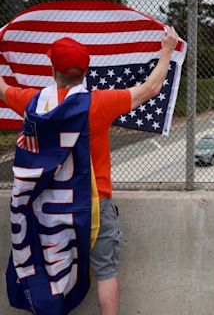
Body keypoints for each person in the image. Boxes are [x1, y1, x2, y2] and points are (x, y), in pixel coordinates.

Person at [0, 27, 179, 315]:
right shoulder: (97, 104)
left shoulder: (34, 103)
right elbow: (150, 89)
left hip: (46, 210)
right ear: (85, 70)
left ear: (52, 67)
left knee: (48, 271)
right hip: (93, 207)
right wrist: (167, 50)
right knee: (106, 271)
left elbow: (4, 91)